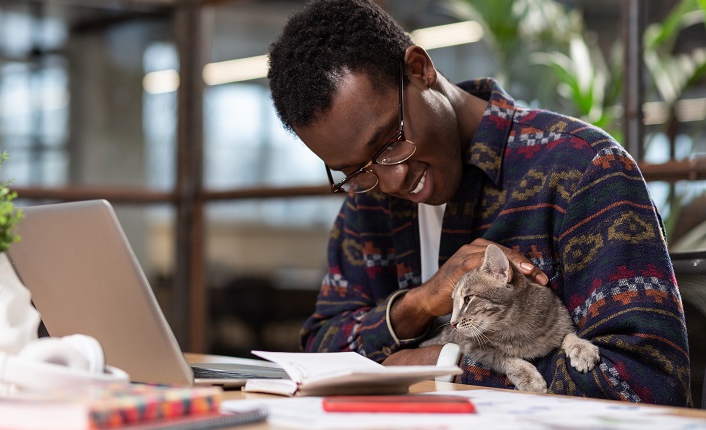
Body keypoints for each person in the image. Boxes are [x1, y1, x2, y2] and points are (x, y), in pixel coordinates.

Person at [266, 0, 690, 406]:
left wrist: (443, 366)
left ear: (420, 69)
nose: (392, 179)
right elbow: (323, 351)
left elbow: (647, 383)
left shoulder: (583, 169)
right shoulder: (369, 198)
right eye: (355, 169)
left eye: (390, 142)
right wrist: (419, 304)